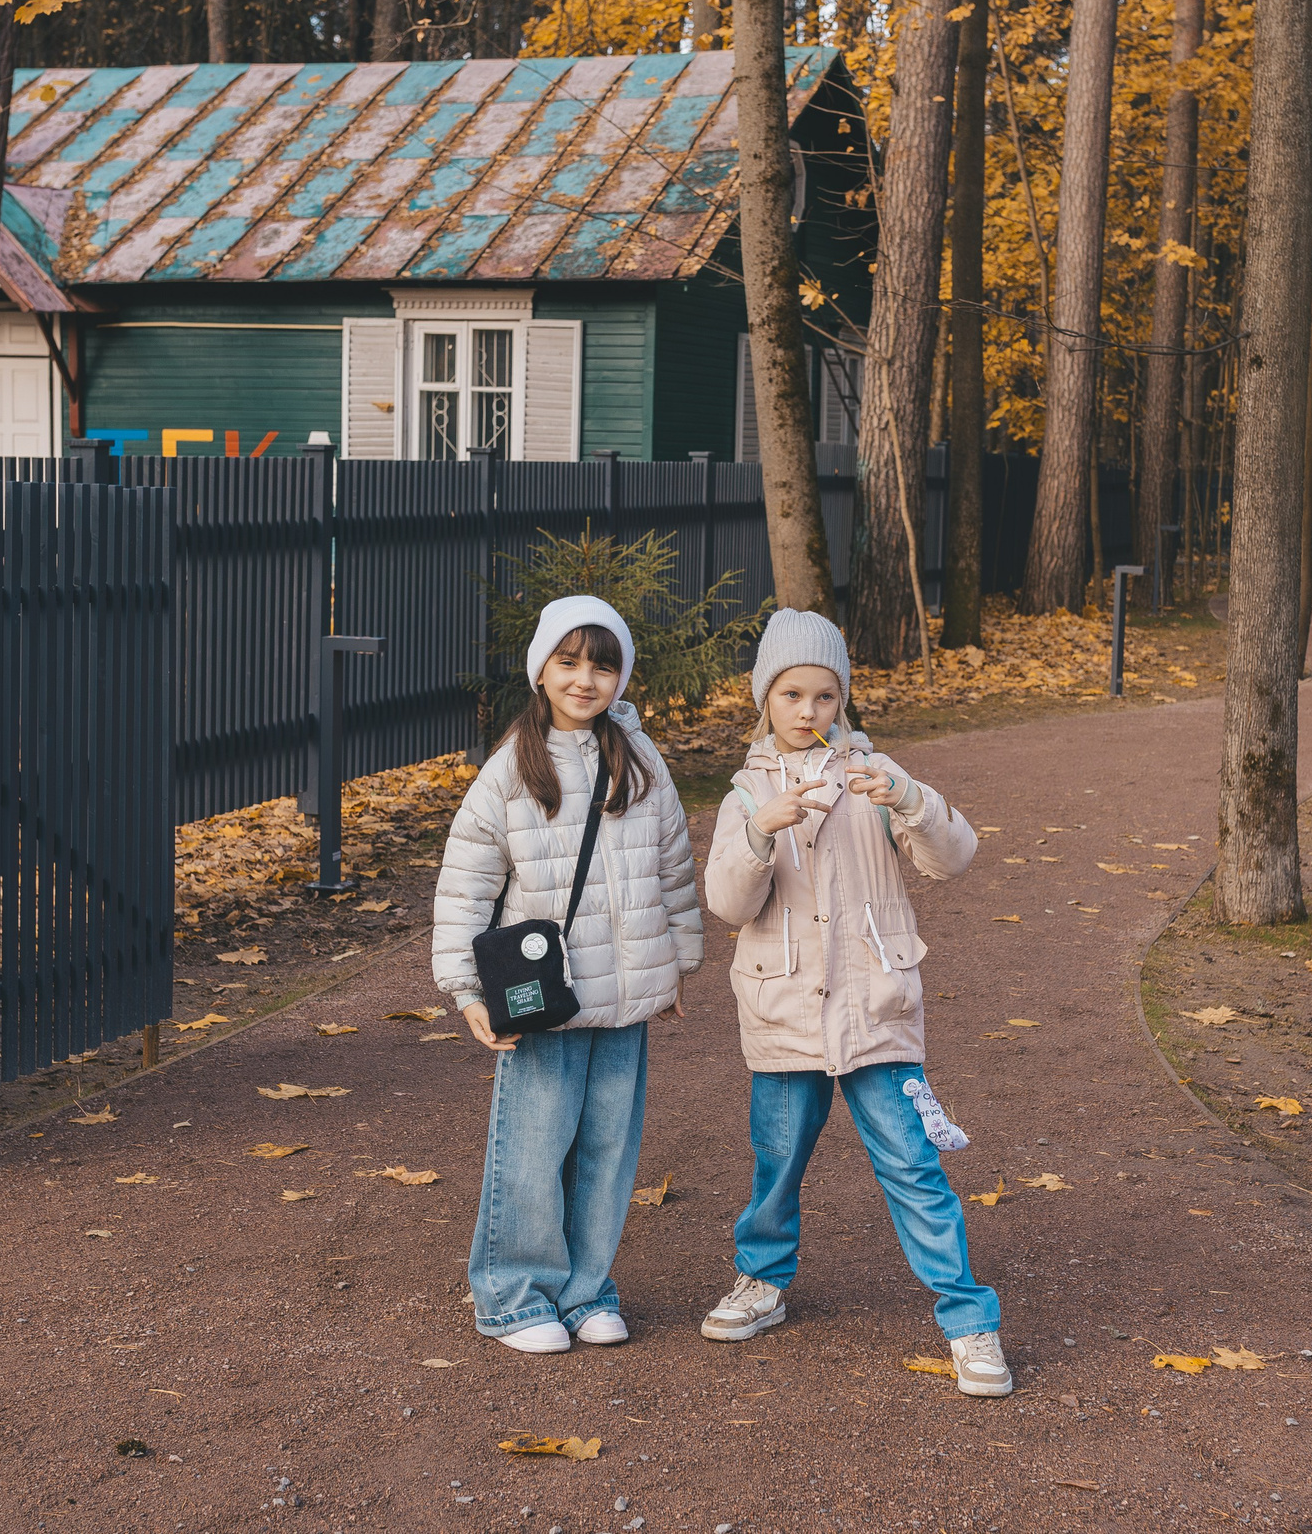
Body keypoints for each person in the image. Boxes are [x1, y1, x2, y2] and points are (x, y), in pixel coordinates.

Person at [699, 608, 1007, 1397]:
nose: (808, 710)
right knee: (777, 1162)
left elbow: (955, 858)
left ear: (844, 699)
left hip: (876, 1010)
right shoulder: (743, 793)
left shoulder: (876, 775)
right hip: (784, 1013)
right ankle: (761, 1280)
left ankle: (970, 1320)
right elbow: (728, 903)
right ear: (764, 696)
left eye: (825, 695)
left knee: (914, 1163)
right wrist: (763, 829)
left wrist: (907, 797)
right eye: (792, 693)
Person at [432, 595, 702, 1354]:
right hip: (543, 996)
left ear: (622, 675)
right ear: (542, 670)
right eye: (570, 661)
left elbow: (672, 864)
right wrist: (465, 986)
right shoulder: (511, 769)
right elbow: (466, 884)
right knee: (532, 1143)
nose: (586, 679)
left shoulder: (642, 760)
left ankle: (587, 1289)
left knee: (610, 1148)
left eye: (603, 663)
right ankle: (515, 1293)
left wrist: (678, 958)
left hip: (624, 993)